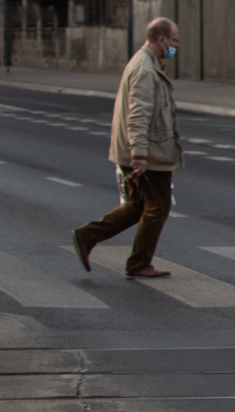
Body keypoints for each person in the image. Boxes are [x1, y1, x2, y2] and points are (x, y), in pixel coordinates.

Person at [73, 18, 186, 278]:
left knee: (137, 205)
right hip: (149, 152)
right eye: (175, 41)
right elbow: (138, 114)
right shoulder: (146, 69)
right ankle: (138, 263)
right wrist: (139, 154)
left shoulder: (147, 63)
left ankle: (86, 236)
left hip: (141, 149)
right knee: (158, 206)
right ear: (162, 40)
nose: (176, 46)